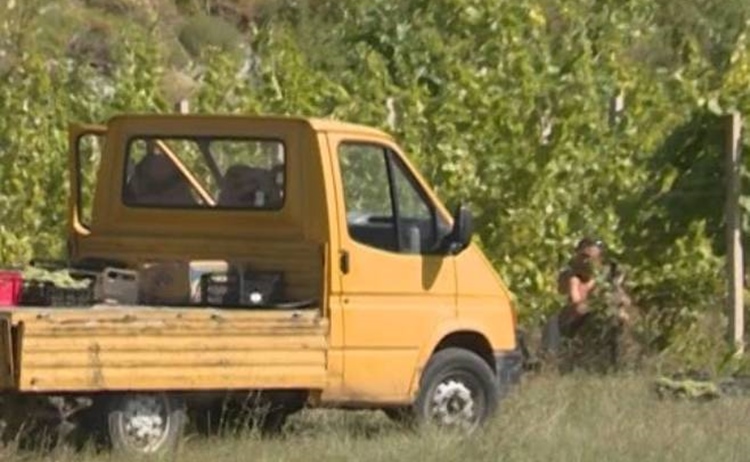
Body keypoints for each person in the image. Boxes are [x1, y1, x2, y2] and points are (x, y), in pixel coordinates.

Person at [541, 237, 605, 357]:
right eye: (583, 257)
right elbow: (575, 307)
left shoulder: (603, 282)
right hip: (563, 328)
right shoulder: (568, 277)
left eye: (591, 258)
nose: (586, 262)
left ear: (599, 261)